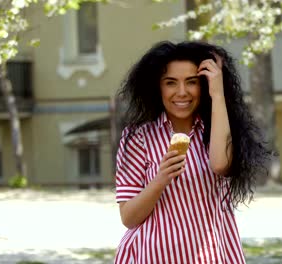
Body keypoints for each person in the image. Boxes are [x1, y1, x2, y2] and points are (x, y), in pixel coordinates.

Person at [114, 41, 270, 264]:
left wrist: (218, 93)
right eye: (170, 83)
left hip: (212, 255)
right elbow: (128, 217)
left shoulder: (218, 127)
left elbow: (220, 165)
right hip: (153, 255)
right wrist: (160, 180)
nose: (181, 92)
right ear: (157, 87)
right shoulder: (138, 137)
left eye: (192, 82)